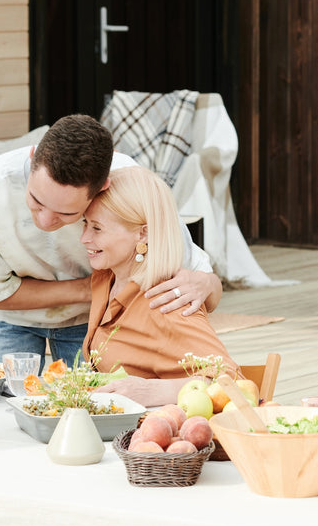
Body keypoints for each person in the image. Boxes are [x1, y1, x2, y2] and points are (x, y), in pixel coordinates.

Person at [0, 114, 221, 367]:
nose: (46, 222)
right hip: (5, 319)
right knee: (1, 406)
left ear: (102, 187)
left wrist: (205, 283)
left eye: (68, 213)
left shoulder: (129, 186)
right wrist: (93, 288)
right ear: (32, 156)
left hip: (94, 318)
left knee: (95, 407)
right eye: (36, 201)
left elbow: (203, 279)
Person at [84, 166, 242, 407]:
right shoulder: (105, 278)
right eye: (84, 224)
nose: (84, 238)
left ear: (142, 234)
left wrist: (150, 390)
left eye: (97, 228)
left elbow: (232, 383)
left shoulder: (165, 301)